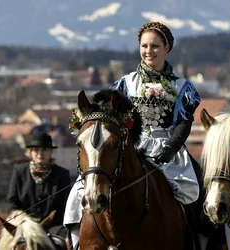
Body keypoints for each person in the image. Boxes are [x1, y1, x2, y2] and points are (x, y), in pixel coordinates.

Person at [64, 21, 221, 249]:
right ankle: (77, 241)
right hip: (130, 148)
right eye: (145, 46)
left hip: (169, 149)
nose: (149, 51)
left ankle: (202, 242)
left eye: (155, 46)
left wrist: (169, 149)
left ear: (167, 48)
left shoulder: (182, 86)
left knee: (199, 196)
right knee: (81, 189)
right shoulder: (125, 84)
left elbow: (184, 123)